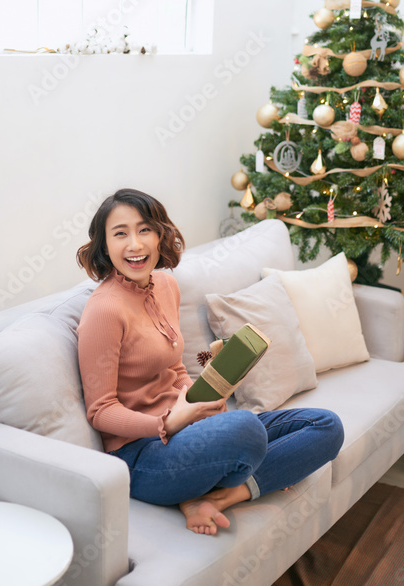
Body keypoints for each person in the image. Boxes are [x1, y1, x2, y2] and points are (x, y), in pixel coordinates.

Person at [76, 188, 343, 535]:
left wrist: (203, 401)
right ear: (104, 245)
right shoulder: (103, 310)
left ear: (160, 235)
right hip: (142, 457)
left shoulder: (166, 285)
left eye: (144, 230)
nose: (135, 244)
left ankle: (218, 498)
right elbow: (100, 411)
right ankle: (239, 478)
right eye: (120, 233)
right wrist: (168, 422)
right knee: (246, 429)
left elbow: (174, 370)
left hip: (192, 431)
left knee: (326, 426)